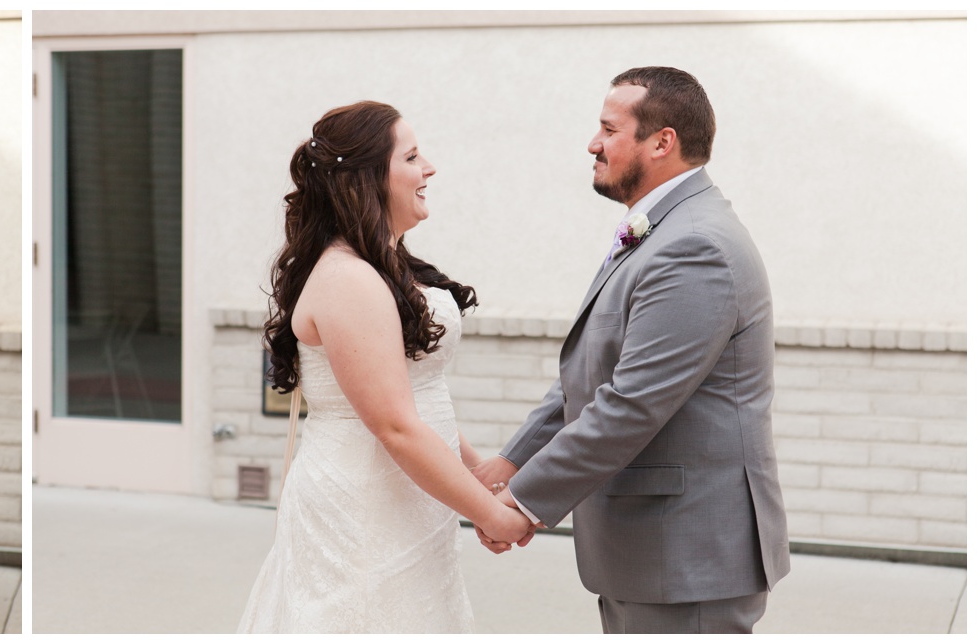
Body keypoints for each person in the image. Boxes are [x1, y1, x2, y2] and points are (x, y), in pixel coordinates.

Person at [470, 66, 790, 634]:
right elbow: (593, 370)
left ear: (662, 142)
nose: (593, 144)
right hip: (652, 552)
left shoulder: (695, 245)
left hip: (687, 556)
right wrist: (510, 461)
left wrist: (520, 504)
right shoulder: (661, 228)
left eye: (609, 129)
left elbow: (632, 402)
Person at [237, 101, 532, 633]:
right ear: (370, 178)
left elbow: (417, 393)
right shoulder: (348, 278)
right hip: (366, 505)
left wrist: (475, 470)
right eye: (413, 157)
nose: (430, 169)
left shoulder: (384, 263)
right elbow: (395, 425)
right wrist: (491, 516)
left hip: (407, 496)